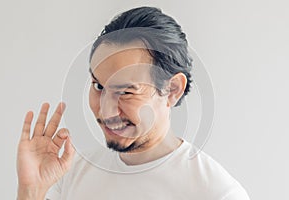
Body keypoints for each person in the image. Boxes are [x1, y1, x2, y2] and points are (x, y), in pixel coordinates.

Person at [16, 6, 250, 200]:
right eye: (98, 86)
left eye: (126, 92)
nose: (106, 110)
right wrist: (31, 190)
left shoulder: (217, 193)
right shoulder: (71, 174)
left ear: (172, 90)